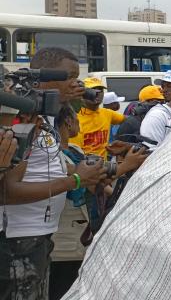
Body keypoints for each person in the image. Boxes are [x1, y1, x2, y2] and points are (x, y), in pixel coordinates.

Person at [1, 48, 106, 300]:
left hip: (38, 237)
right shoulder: (25, 118)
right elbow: (6, 191)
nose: (76, 84)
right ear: (43, 80)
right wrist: (76, 180)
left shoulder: (47, 118)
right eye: (69, 77)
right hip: (18, 240)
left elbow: (49, 167)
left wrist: (91, 173)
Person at [69, 78, 125, 158]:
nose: (97, 93)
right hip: (84, 166)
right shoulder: (74, 118)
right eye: (93, 90)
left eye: (100, 90)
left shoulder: (107, 113)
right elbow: (74, 153)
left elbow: (127, 120)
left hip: (104, 166)